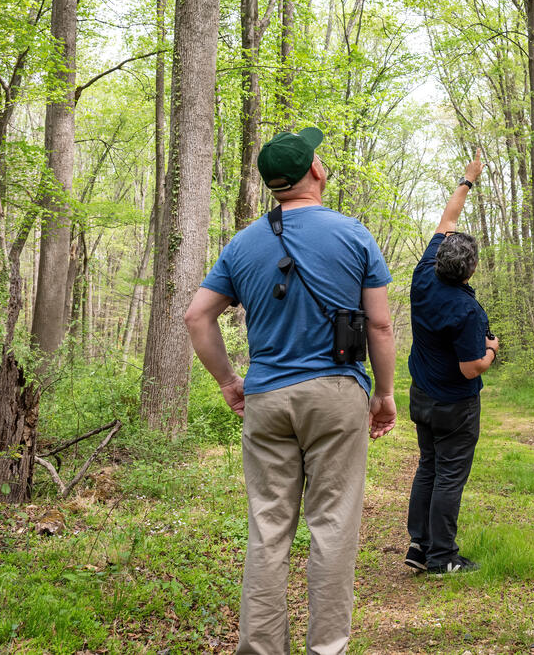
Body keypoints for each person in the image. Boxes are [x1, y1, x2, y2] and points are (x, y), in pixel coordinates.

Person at [184, 126, 397, 655]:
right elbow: (381, 327)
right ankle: (326, 648)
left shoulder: (243, 243)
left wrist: (230, 382)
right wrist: (385, 393)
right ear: (316, 171)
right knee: (332, 526)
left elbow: (196, 318)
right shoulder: (353, 234)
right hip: (335, 391)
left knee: (269, 530)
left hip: (267, 397)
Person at [404, 149, 499, 575]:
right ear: (470, 270)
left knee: (428, 465)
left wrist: (468, 179)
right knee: (448, 475)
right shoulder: (467, 311)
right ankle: (442, 557)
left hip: (421, 395)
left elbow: (448, 219)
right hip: (454, 405)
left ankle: (419, 546)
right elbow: (470, 367)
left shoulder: (425, 272)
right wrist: (491, 351)